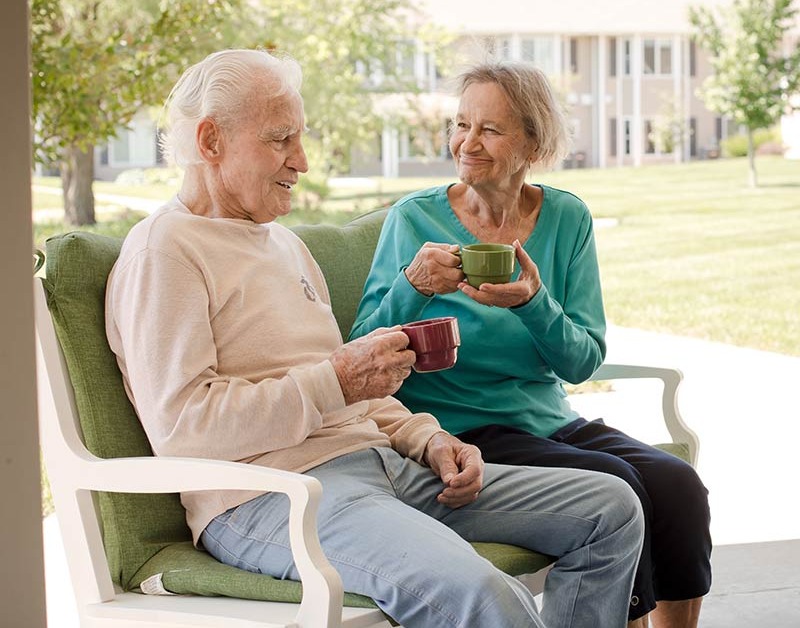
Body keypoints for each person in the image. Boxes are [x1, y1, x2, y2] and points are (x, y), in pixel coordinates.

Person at [105, 49, 645, 628]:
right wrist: (335, 379)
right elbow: (186, 430)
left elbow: (349, 385)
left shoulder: (283, 245)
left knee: (612, 508)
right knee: (486, 598)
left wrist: (429, 438)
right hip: (273, 497)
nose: (303, 161)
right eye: (281, 139)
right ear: (211, 142)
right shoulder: (165, 251)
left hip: (385, 466)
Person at [350, 62, 712, 628]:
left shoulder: (566, 218)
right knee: (621, 487)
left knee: (679, 485)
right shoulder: (414, 219)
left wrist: (533, 302)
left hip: (547, 421)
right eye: (460, 124)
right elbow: (359, 349)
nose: (467, 143)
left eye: (490, 130)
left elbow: (582, 360)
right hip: (457, 429)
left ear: (533, 142)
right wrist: (413, 287)